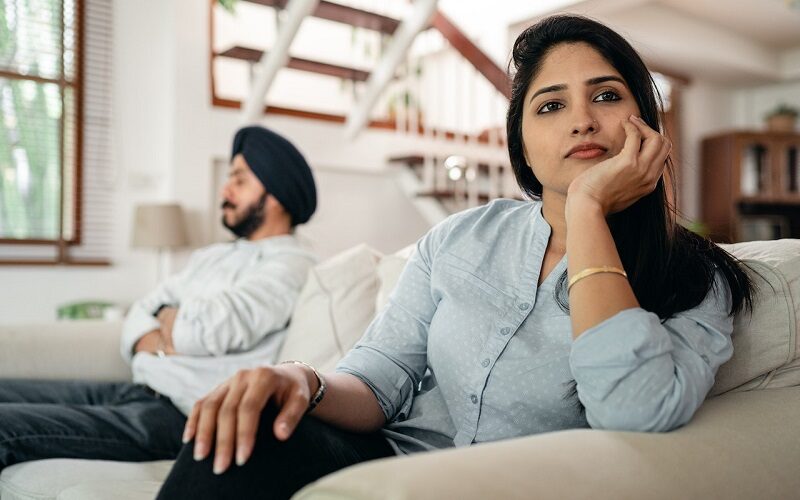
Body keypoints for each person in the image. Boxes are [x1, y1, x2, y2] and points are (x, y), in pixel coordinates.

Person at [157, 15, 756, 500]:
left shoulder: (696, 277)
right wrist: (301, 379)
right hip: (386, 460)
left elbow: (635, 410)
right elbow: (381, 375)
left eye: (605, 95)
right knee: (244, 430)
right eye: (550, 106)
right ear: (521, 140)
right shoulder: (460, 237)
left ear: (644, 126)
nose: (581, 120)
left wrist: (588, 209)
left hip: (510, 486)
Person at [0, 126, 318, 470]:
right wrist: (171, 329)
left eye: (239, 180)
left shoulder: (292, 265)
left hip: (178, 415)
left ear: (277, 194)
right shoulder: (211, 256)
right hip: (136, 389)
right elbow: (140, 314)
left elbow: (201, 332)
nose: (224, 190)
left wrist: (168, 321)